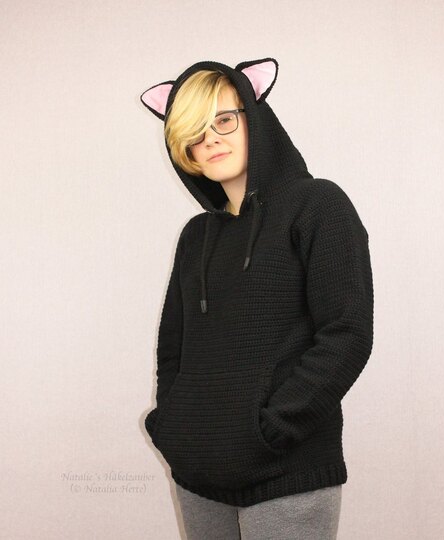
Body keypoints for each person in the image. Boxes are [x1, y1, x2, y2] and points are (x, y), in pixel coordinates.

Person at [140, 57, 374, 539]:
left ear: (255, 117)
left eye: (224, 120)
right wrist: (174, 428)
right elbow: (173, 349)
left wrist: (272, 431)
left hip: (286, 473)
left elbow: (347, 333)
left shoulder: (318, 205)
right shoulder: (196, 236)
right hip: (198, 477)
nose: (211, 139)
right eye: (195, 131)